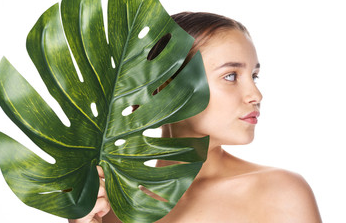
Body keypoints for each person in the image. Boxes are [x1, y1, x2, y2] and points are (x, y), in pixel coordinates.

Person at [69, 12, 322, 223]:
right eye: (231, 76)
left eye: (254, 76)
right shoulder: (111, 206)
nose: (256, 94)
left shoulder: (278, 192)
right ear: (165, 87)